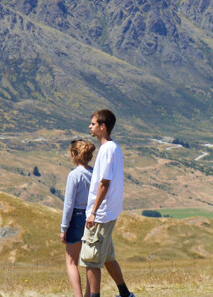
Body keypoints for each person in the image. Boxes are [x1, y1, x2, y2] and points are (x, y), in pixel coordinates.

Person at [80, 109, 135, 297]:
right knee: (108, 257)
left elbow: (104, 183)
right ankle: (125, 294)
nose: (90, 126)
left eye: (93, 123)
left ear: (102, 126)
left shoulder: (106, 150)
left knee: (91, 260)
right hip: (108, 212)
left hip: (101, 214)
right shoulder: (113, 148)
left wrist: (93, 212)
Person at [61, 139, 96, 297]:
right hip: (92, 216)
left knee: (71, 261)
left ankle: (78, 295)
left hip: (77, 216)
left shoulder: (74, 175)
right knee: (90, 261)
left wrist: (64, 228)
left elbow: (69, 204)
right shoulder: (94, 173)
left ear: (74, 155)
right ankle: (89, 294)